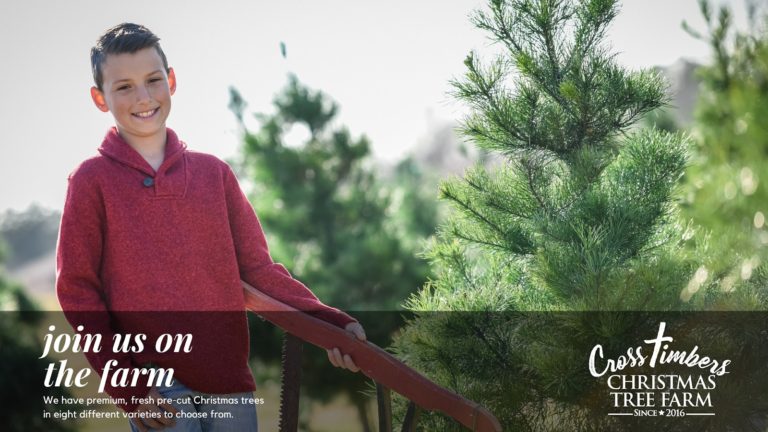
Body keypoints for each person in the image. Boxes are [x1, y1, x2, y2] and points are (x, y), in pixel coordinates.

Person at [56, 22, 366, 432]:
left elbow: (259, 271)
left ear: (171, 80)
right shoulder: (91, 181)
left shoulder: (213, 174)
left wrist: (331, 323)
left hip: (228, 381)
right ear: (100, 98)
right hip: (155, 382)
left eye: (152, 80)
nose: (144, 97)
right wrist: (127, 385)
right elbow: (77, 291)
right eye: (124, 87)